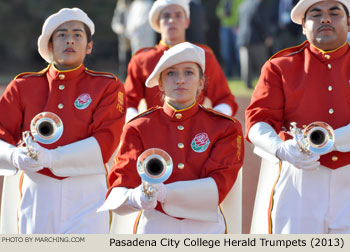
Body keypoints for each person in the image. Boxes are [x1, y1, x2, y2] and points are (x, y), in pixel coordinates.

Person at [0, 8, 125, 234]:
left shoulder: (107, 86)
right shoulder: (22, 86)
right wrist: (14, 156)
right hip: (38, 188)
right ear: (49, 45)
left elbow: (105, 143)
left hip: (88, 191)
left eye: (78, 35)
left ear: (89, 46)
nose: (70, 40)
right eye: (61, 35)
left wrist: (51, 157)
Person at [98, 42, 244, 234]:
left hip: (206, 229)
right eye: (171, 73)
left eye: (189, 73)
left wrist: (165, 193)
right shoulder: (138, 127)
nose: (180, 80)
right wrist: (135, 197)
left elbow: (218, 188)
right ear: (160, 83)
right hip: (154, 226)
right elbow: (117, 192)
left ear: (201, 83)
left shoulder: (225, 128)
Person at [245, 0, 350, 234]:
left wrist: (335, 139)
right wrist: (280, 149)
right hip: (300, 178)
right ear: (303, 26)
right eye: (316, 14)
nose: (325, 19)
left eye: (334, 13)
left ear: (349, 22)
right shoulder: (280, 66)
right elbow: (257, 120)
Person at [124, 0, 238, 122]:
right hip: (154, 135)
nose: (172, 21)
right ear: (158, 22)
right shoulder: (142, 59)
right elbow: (127, 102)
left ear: (187, 21)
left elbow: (224, 99)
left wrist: (211, 125)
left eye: (178, 15)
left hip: (196, 134)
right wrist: (138, 126)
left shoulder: (204, 56)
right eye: (166, 16)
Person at [237, 0, 272, 89]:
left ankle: (247, 84)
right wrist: (266, 35)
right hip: (256, 38)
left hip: (243, 38)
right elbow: (260, 21)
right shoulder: (258, 5)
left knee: (246, 64)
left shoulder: (243, 5)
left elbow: (239, 21)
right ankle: (265, 83)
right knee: (262, 63)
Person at [216, 0, 243, 78]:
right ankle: (228, 73)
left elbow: (243, 11)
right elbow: (218, 11)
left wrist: (238, 24)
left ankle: (240, 73)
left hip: (236, 27)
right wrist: (222, 13)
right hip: (225, 27)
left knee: (238, 51)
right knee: (225, 51)